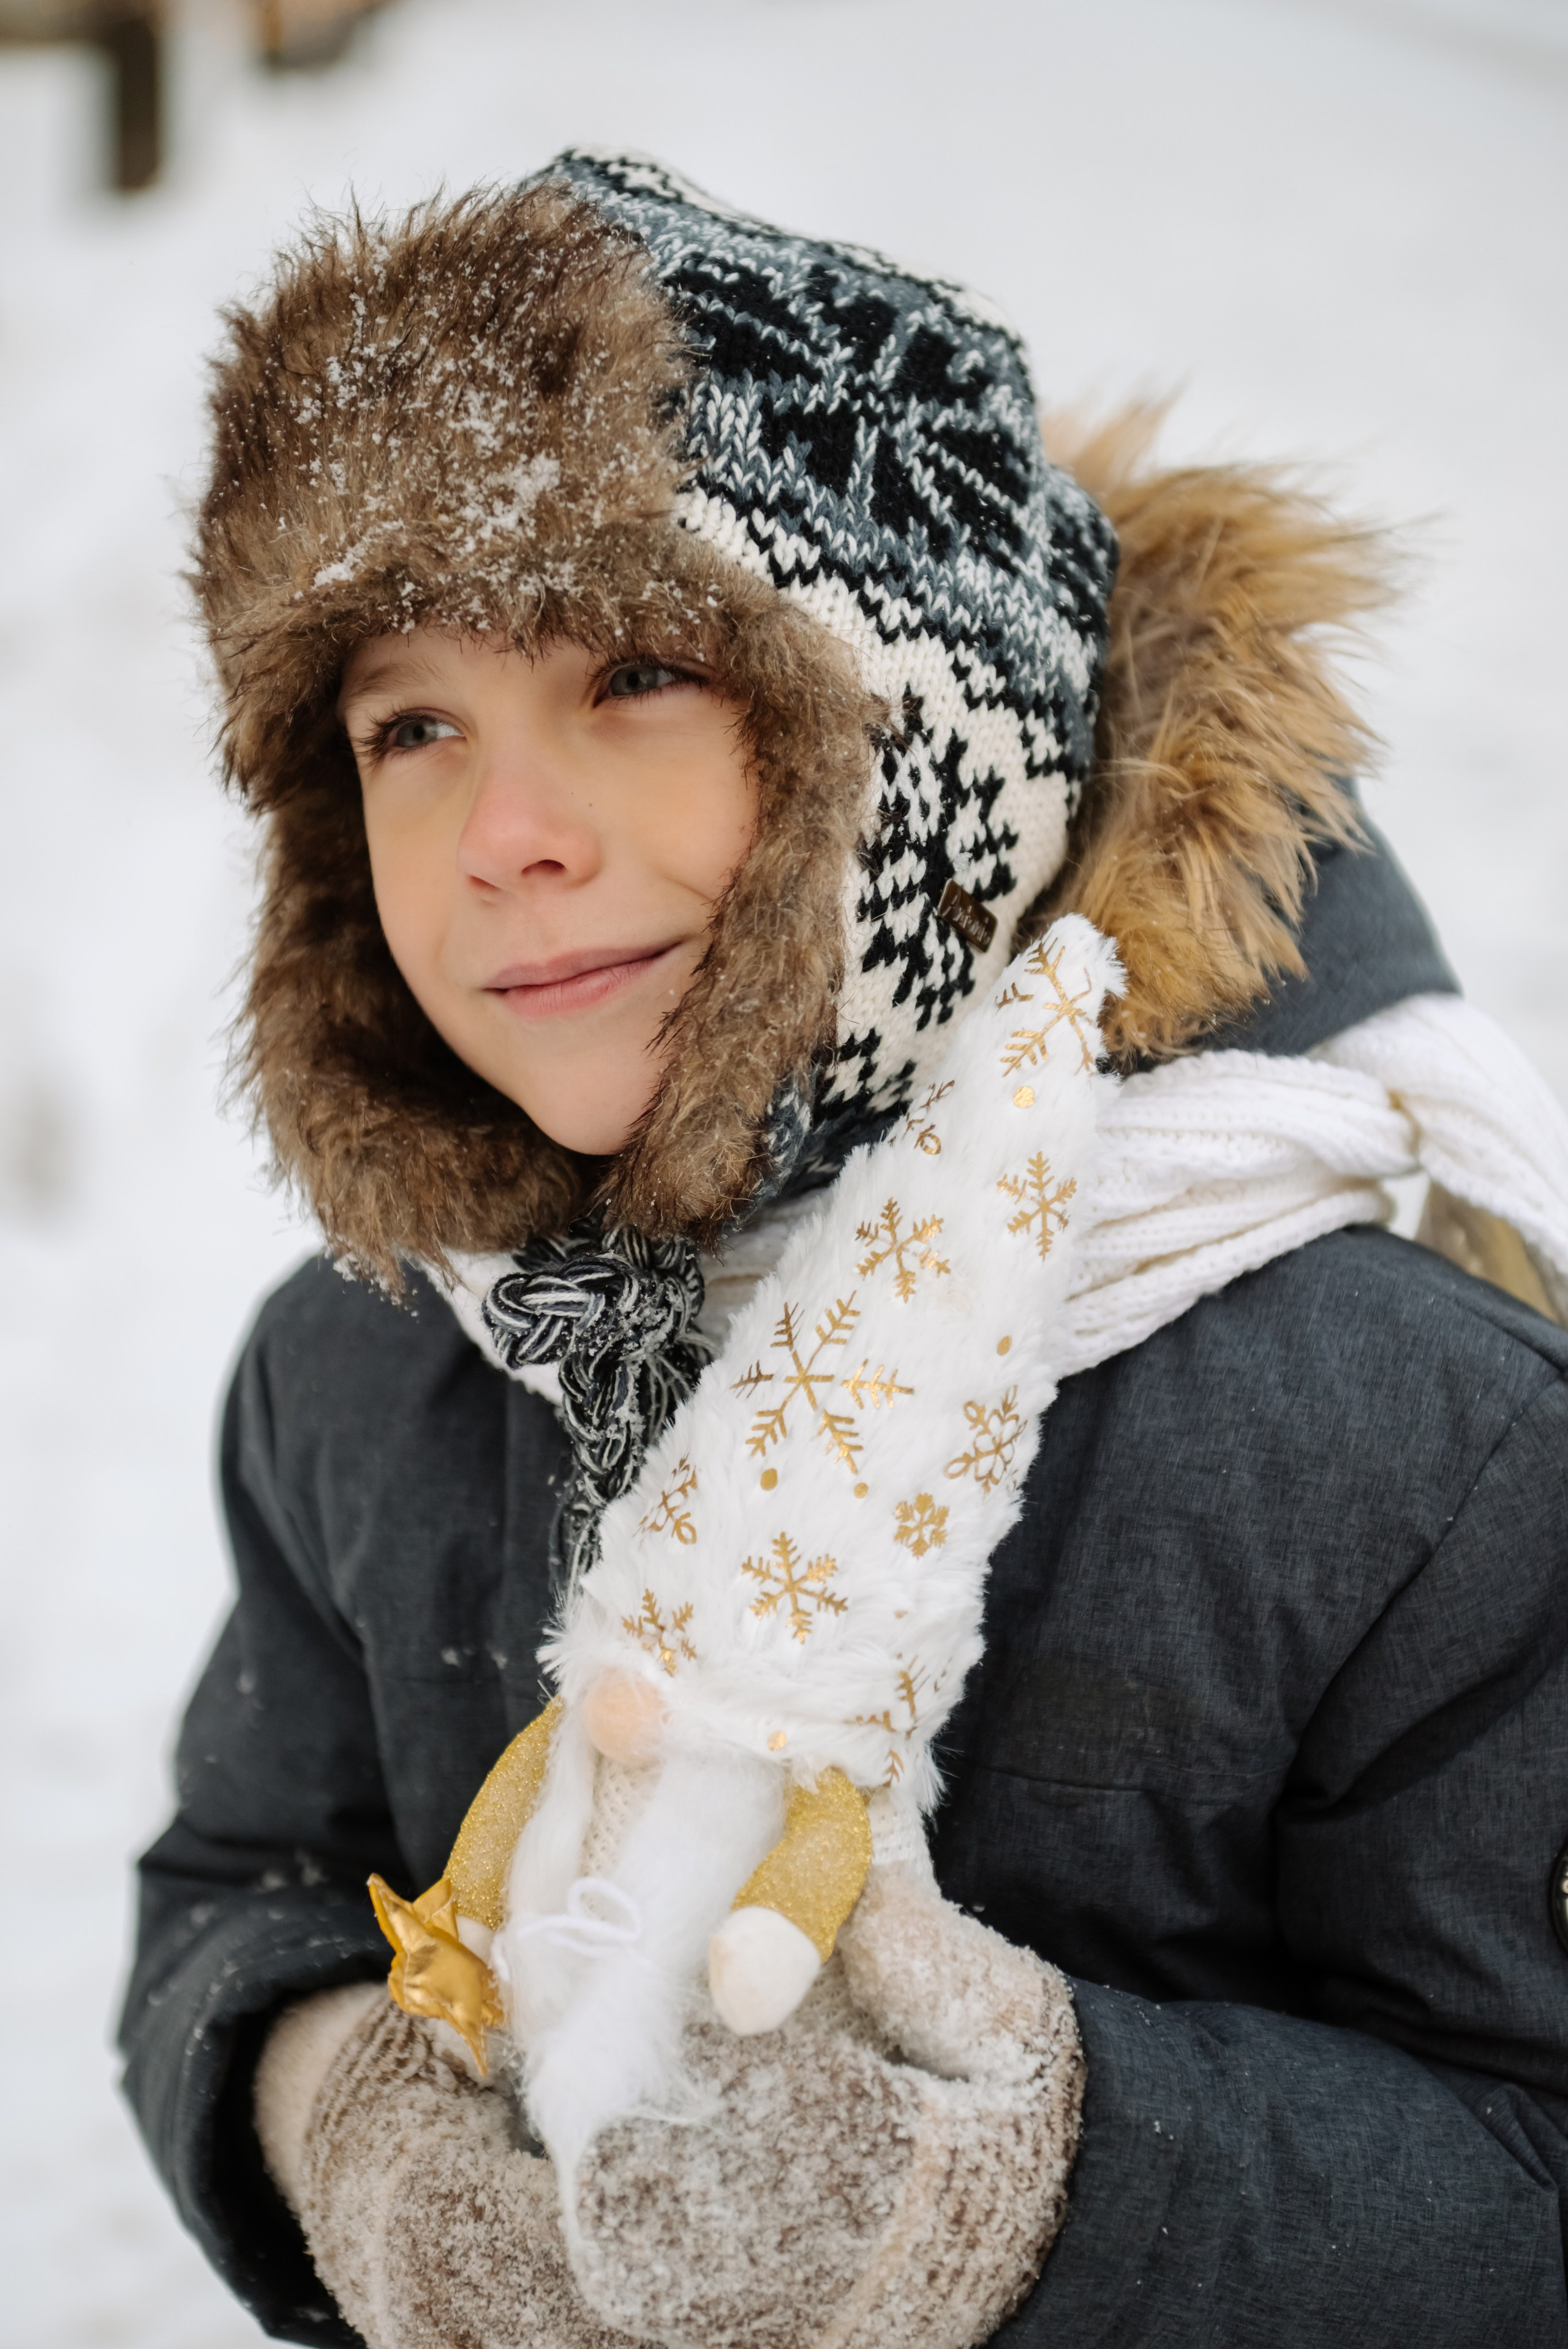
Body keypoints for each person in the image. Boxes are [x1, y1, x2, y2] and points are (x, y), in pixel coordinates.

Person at [119, 153, 1568, 2349]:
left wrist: (1034, 2189)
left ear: (908, 753)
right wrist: (332, 2110)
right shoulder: (363, 1370)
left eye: (634, 668)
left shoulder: (1409, 1445)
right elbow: (245, 1880)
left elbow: (1526, 2164)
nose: (505, 831)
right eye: (409, 723)